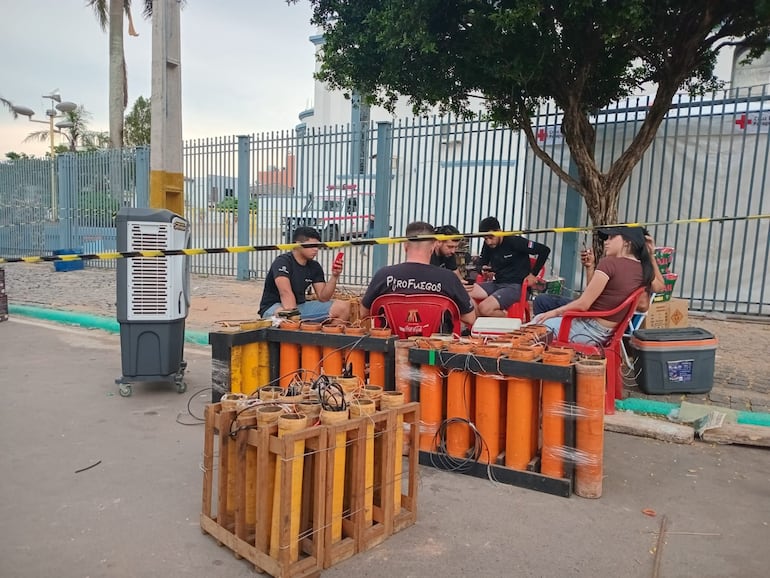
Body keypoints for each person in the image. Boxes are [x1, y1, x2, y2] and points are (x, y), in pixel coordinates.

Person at [532, 226, 655, 344]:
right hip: (607, 332)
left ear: (627, 242)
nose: (606, 242)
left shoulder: (609, 263)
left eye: (612, 238)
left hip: (588, 329)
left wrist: (553, 313)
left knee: (529, 330)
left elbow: (583, 304)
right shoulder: (642, 268)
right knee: (539, 319)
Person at [359, 221, 477, 327]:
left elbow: (363, 312)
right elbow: (470, 318)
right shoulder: (449, 278)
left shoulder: (383, 275)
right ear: (433, 246)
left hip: (391, 345)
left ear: (405, 246)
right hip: (433, 348)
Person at [258, 226, 351, 321]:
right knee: (286, 315)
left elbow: (323, 297)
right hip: (275, 307)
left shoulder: (314, 266)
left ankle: (325, 335)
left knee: (343, 307)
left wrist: (334, 276)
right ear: (298, 244)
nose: (316, 249)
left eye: (317, 246)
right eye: (312, 246)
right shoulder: (282, 262)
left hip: (300, 306)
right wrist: (293, 315)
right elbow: (285, 293)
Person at [469, 216, 551, 317]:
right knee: (462, 294)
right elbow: (481, 263)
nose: (488, 242)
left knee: (484, 308)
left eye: (491, 237)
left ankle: (509, 322)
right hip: (497, 283)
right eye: (485, 239)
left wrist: (533, 274)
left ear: (499, 231)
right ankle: (479, 325)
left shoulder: (515, 241)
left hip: (516, 286)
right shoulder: (488, 245)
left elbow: (544, 250)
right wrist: (483, 270)